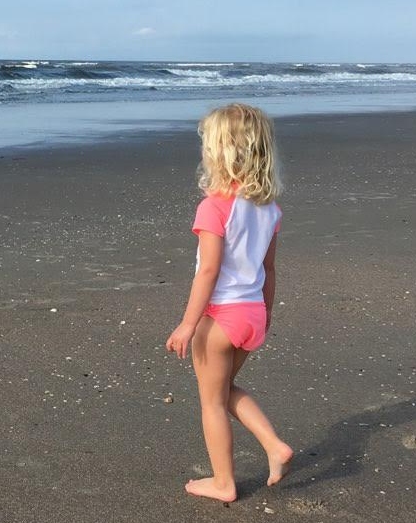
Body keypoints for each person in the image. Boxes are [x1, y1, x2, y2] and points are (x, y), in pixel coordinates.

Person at [164, 103, 294, 502]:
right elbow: (269, 270)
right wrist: (266, 316)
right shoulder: (269, 209)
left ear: (218, 153)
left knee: (211, 403)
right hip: (252, 312)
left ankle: (223, 482)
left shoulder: (214, 206)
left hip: (221, 315)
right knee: (223, 390)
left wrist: (188, 323)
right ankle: (273, 445)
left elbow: (209, 271)